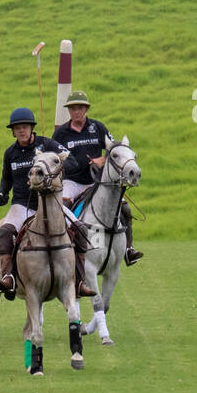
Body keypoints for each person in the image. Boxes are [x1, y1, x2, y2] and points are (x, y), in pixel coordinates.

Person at [0, 108, 92, 300]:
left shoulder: (46, 144)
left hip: (48, 204)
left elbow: (71, 161)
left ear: (32, 128)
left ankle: (80, 280)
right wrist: (2, 193)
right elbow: (6, 179)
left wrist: (53, 175)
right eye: (17, 128)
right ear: (13, 131)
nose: (21, 131)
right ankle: (9, 277)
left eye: (25, 127)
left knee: (80, 229)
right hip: (22, 204)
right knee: (5, 232)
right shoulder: (10, 153)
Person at [54, 90, 142, 265]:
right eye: (73, 108)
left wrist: (100, 160)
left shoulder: (98, 127)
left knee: (125, 209)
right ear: (69, 111)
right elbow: (54, 158)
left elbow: (114, 151)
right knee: (62, 208)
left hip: (96, 182)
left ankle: (128, 249)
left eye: (80, 108)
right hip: (72, 182)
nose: (76, 112)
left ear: (86, 109)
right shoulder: (61, 133)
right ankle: (63, 247)